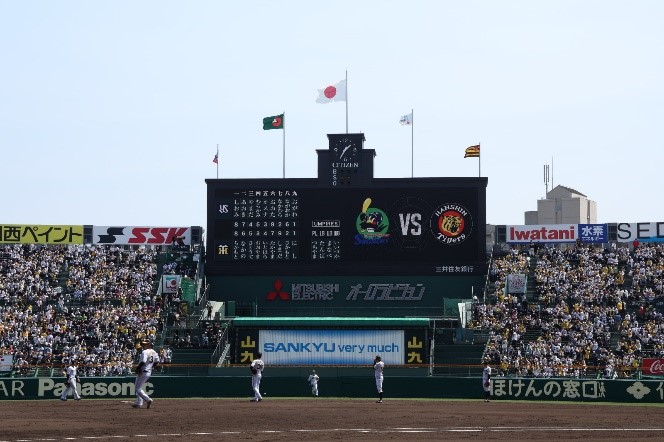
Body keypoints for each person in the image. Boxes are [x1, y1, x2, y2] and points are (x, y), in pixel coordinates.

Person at [133, 340, 159, 409]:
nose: (143, 345)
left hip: (143, 371)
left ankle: (148, 400)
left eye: (145, 344)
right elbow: (157, 362)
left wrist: (138, 368)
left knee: (137, 388)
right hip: (148, 372)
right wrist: (150, 367)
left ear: (149, 345)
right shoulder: (154, 352)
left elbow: (143, 362)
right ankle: (138, 403)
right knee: (138, 387)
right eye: (143, 344)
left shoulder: (145, 352)